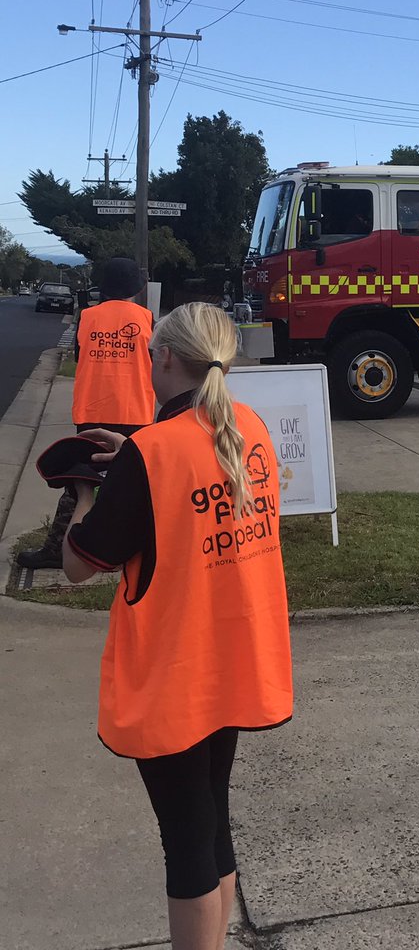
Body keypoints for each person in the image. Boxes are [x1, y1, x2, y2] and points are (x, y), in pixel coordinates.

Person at [61, 302, 293, 950]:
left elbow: (79, 563)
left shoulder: (151, 453)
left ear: (163, 357)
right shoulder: (248, 426)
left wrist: (85, 491)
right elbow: (186, 478)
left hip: (175, 673)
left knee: (187, 841)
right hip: (235, 661)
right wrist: (131, 456)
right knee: (211, 825)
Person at [19, 257, 155, 570]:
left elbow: (81, 358)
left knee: (79, 480)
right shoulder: (147, 318)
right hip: (135, 411)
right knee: (132, 481)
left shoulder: (88, 317)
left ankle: (59, 547)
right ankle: (132, 549)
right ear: (137, 288)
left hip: (92, 410)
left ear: (104, 287)